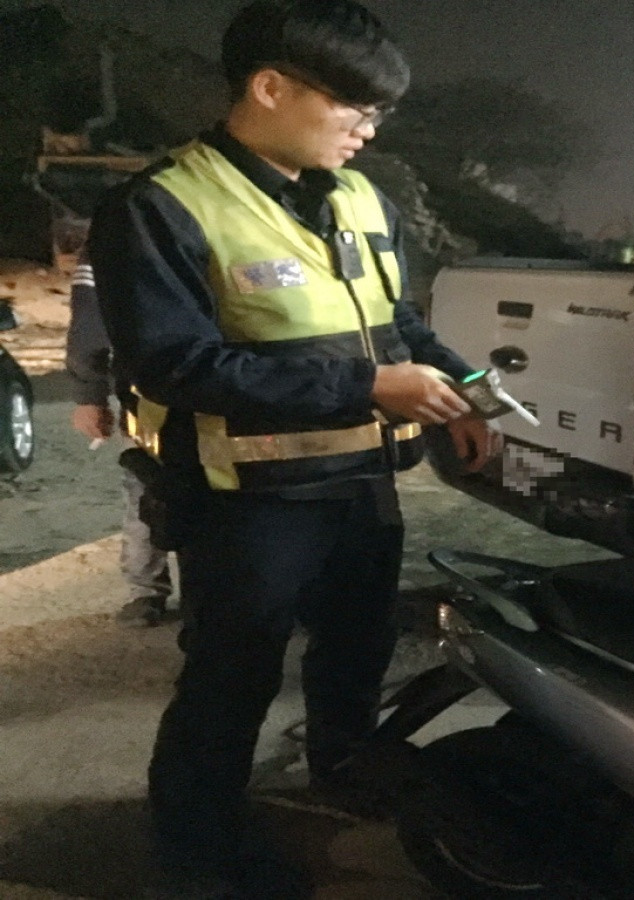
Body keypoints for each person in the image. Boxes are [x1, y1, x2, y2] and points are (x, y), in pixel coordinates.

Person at [88, 1, 502, 893]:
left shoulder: (361, 197)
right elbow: (177, 365)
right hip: (248, 503)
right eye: (353, 105)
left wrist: (464, 390)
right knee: (231, 679)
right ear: (271, 88)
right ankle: (196, 847)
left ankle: (342, 774)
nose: (368, 128)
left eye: (379, 111)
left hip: (361, 482)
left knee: (355, 652)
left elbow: (396, 324)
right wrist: (368, 387)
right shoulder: (161, 206)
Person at [66, 248, 174, 627]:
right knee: (148, 483)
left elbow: (88, 330)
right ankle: (146, 589)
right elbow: (91, 328)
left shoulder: (119, 233)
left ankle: (150, 591)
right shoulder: (115, 238)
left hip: (187, 386)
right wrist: (89, 396)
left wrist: (89, 395)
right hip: (158, 391)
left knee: (150, 486)